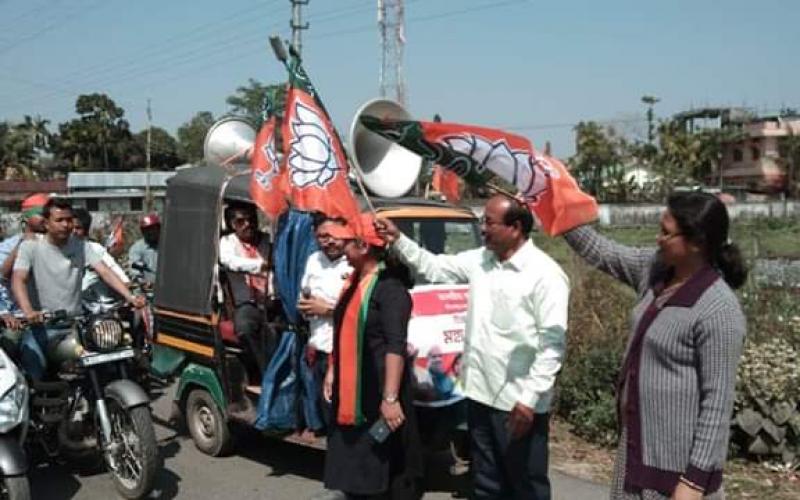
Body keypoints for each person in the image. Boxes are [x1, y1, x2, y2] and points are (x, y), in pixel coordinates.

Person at [376, 194, 569, 500]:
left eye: (489, 223)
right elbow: (434, 267)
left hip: (517, 406)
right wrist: (398, 239)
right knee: (486, 484)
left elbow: (552, 346)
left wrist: (529, 400)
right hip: (479, 397)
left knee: (525, 487)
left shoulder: (545, 276)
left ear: (516, 228)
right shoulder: (481, 261)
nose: (483, 228)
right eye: (482, 221)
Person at [562, 191, 747, 500]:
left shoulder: (718, 309)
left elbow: (718, 403)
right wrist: (555, 210)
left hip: (677, 474)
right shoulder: (656, 271)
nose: (658, 238)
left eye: (666, 232)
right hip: (636, 458)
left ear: (697, 242)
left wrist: (694, 481)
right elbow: (601, 251)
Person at [322, 214, 423, 499]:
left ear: (364, 246)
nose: (341, 246)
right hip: (353, 390)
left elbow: (395, 345)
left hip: (379, 393)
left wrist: (390, 400)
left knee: (383, 470)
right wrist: (334, 369)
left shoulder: (390, 289)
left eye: (347, 241)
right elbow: (343, 328)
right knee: (356, 471)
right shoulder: (356, 281)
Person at [11, 198, 145, 380]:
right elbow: (18, 279)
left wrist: (130, 297)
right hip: (41, 328)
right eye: (59, 220)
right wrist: (29, 312)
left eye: (69, 220)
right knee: (33, 373)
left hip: (76, 325)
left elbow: (104, 271)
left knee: (105, 364)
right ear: (46, 223)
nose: (66, 225)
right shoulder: (31, 247)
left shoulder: (81, 246)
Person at [297, 215, 352, 433]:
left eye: (333, 236)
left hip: (342, 353)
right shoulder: (313, 260)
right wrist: (305, 306)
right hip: (316, 346)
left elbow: (359, 310)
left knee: (342, 414)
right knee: (324, 409)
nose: (328, 241)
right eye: (322, 236)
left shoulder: (353, 263)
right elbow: (303, 295)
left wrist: (328, 310)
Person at [218, 202, 272, 382]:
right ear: (232, 224)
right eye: (241, 221)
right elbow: (231, 262)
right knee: (245, 328)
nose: (247, 224)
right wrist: (261, 265)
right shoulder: (227, 242)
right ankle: (266, 375)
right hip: (247, 304)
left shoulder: (266, 240)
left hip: (272, 300)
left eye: (251, 219)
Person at [0, 193, 50, 312]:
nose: (47, 219)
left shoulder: (58, 244)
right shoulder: (9, 246)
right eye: (42, 214)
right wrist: (23, 244)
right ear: (26, 217)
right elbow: (2, 276)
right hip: (21, 315)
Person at [73, 208, 131, 301]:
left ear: (85, 230)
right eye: (71, 227)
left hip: (97, 304)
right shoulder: (58, 250)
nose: (73, 231)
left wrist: (130, 294)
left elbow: (113, 271)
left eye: (78, 228)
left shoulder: (94, 249)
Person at [128, 213, 160, 287]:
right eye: (147, 230)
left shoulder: (170, 244)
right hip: (149, 289)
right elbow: (134, 269)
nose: (150, 232)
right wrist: (142, 281)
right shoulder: (137, 248)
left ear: (159, 229)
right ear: (143, 232)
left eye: (153, 229)